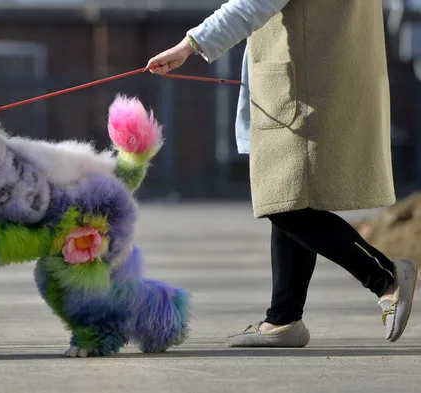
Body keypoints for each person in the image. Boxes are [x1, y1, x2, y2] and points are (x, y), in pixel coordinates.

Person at [146, 0, 418, 347]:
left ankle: (386, 279)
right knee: (292, 197)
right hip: (321, 76)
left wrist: (190, 45)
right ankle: (284, 319)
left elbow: (253, 4)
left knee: (282, 201)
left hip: (300, 87)